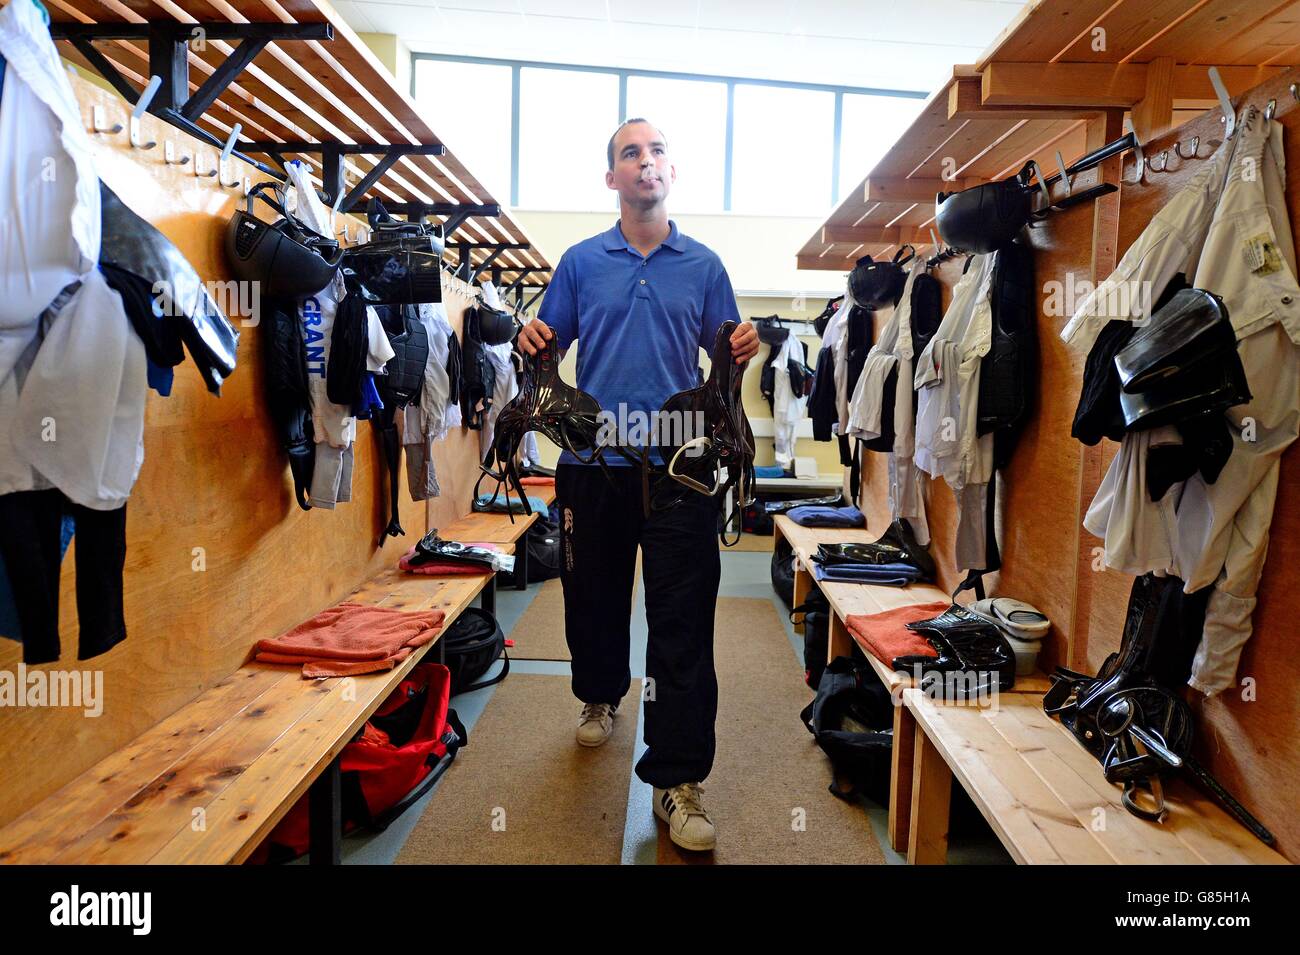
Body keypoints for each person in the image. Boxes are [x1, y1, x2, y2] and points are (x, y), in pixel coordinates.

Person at [516, 118, 758, 851]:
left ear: (670, 174)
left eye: (655, 152)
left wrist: (743, 350)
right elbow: (545, 343)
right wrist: (531, 336)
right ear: (613, 178)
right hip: (595, 469)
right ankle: (599, 692)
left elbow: (724, 367)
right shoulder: (582, 263)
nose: (644, 161)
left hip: (680, 472)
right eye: (630, 153)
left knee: (683, 624)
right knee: (593, 599)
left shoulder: (705, 265)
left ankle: (677, 778)